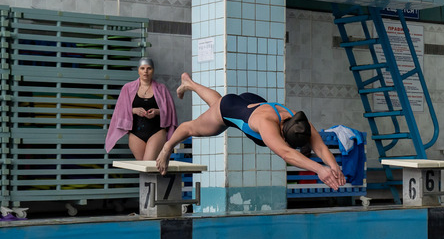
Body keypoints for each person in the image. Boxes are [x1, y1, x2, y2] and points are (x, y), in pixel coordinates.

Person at [155, 73, 345, 190]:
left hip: (249, 102)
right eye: (285, 140)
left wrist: (334, 166)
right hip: (230, 109)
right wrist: (320, 169)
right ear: (281, 131)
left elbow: (319, 147)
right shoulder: (267, 125)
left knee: (216, 103)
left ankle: (189, 83)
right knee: (193, 127)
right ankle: (167, 147)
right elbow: (287, 154)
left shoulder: (298, 119)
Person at [105, 57, 179, 160]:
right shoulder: (127, 88)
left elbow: (171, 113)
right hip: (136, 133)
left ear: (153, 70)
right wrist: (133, 110)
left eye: (149, 68)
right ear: (138, 70)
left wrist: (157, 112)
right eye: (142, 68)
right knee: (143, 168)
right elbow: (119, 111)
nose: (146, 71)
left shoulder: (161, 88)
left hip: (156, 131)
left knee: (148, 162)